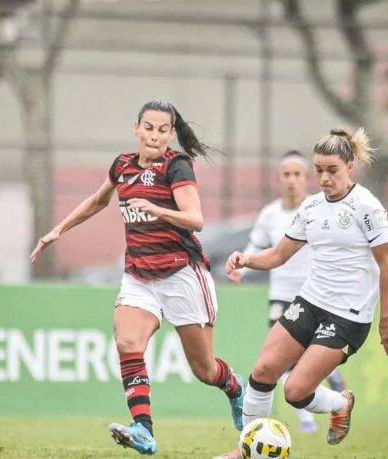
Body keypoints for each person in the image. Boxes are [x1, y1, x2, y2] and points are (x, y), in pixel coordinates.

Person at [30, 99, 245, 456]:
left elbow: (196, 219)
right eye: (148, 128)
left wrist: (158, 208)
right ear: (136, 128)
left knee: (205, 370)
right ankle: (143, 429)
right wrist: (58, 230)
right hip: (139, 276)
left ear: (170, 134)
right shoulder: (122, 166)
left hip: (181, 275)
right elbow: (99, 201)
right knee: (128, 343)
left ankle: (235, 388)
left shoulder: (177, 167)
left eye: (163, 130)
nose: (155, 136)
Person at [225, 128, 388, 448]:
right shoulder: (310, 208)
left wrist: (386, 319)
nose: (323, 178)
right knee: (263, 369)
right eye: (318, 170)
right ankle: (244, 450)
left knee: (295, 391)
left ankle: (341, 403)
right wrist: (246, 260)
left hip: (349, 316)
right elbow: (279, 254)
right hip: (310, 301)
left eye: (331, 170)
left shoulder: (367, 207)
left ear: (350, 167)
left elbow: (387, 264)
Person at [232, 150, 347, 433]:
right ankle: (306, 419)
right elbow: (257, 247)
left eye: (297, 174)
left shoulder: (318, 209)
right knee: (281, 363)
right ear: (279, 178)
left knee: (308, 359)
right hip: (281, 297)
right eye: (287, 174)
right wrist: (241, 268)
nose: (292, 180)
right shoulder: (270, 214)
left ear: (306, 178)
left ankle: (333, 380)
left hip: (316, 298)